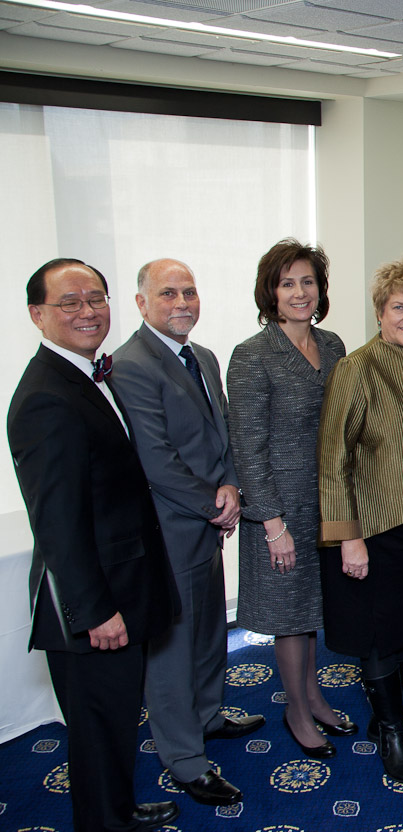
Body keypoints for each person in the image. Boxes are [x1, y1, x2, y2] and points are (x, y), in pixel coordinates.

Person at [9, 258, 180, 832]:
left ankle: (119, 808)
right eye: (70, 302)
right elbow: (56, 523)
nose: (88, 311)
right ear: (37, 315)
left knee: (113, 723)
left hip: (123, 587)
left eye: (96, 298)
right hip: (92, 604)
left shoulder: (85, 374)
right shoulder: (44, 398)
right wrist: (95, 611)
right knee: (97, 727)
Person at [112, 258, 264, 808]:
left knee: (207, 631)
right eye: (169, 293)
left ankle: (207, 715)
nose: (182, 303)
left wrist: (229, 488)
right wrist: (212, 504)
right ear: (142, 303)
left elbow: (220, 433)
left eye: (190, 292)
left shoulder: (202, 356)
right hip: (169, 528)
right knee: (173, 647)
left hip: (207, 519)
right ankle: (183, 758)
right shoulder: (128, 364)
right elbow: (155, 459)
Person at [318, 256, 403, 783]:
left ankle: (384, 719)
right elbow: (333, 460)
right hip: (370, 527)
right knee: (374, 633)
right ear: (379, 311)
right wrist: (348, 538)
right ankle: (391, 732)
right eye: (399, 307)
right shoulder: (355, 368)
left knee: (398, 627)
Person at [228, 239, 351, 759]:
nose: (300, 292)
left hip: (327, 503)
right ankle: (297, 710)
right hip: (278, 508)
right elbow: (247, 448)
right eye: (287, 283)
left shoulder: (335, 345)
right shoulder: (252, 355)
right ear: (270, 293)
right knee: (287, 615)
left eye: (308, 281)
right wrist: (272, 523)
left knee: (312, 610)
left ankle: (314, 694)